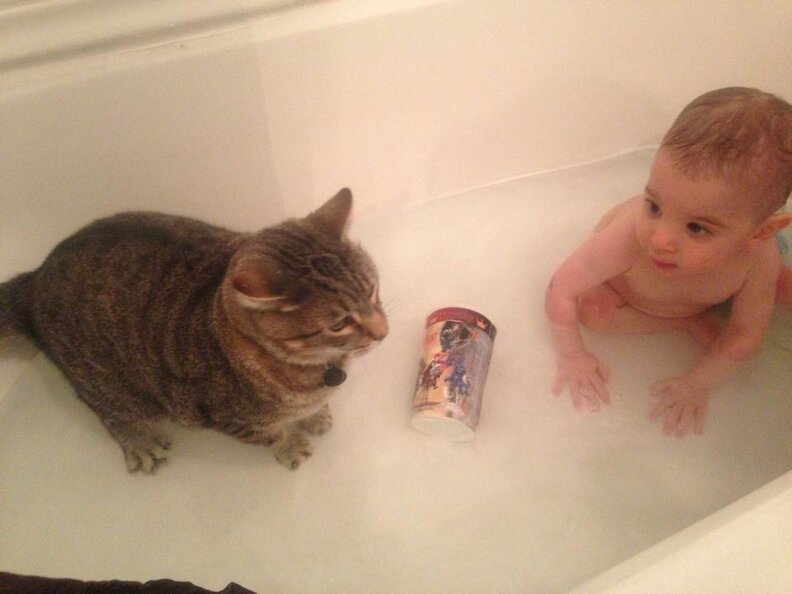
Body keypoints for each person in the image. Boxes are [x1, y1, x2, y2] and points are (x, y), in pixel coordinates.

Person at [545, 87, 792, 437]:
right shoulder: (627, 238)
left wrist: (698, 382)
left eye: (696, 227)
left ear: (761, 233)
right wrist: (573, 355)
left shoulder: (759, 259)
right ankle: (684, 322)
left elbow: (745, 334)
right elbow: (561, 289)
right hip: (627, 295)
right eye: (654, 206)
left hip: (720, 282)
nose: (659, 239)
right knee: (595, 314)